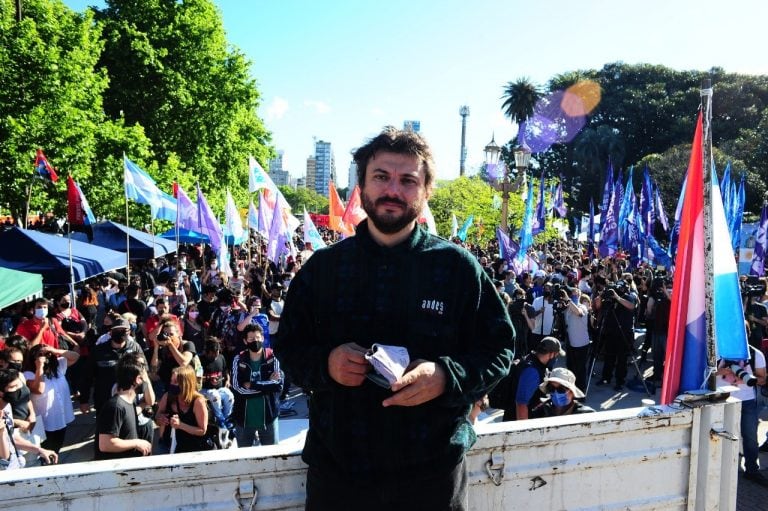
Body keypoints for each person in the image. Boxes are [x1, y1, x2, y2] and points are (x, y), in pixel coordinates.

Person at [276, 127, 514, 510]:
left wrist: (444, 377)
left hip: (432, 478)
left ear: (426, 191)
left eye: (408, 181)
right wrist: (327, 364)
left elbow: (500, 349)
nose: (393, 190)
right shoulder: (323, 269)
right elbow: (287, 346)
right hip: (339, 476)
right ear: (362, 186)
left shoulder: (458, 269)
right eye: (381, 177)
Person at [716, 345, 767, 486]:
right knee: (721, 436)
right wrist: (722, 371)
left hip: (747, 401)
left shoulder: (755, 354)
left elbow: (763, 379)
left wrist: (747, 379)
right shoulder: (718, 352)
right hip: (721, 399)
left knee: (750, 436)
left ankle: (751, 470)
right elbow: (705, 374)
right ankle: (720, 469)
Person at [94, 354, 153, 460]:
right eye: (144, 377)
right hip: (115, 473)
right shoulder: (116, 406)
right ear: (138, 379)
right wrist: (136, 443)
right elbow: (106, 444)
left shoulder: (129, 403)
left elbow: (151, 401)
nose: (146, 381)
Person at [23, 344, 80, 453]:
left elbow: (75, 356)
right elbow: (39, 390)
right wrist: (39, 367)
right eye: (40, 354)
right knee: (45, 450)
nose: (45, 357)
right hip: (44, 422)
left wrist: (54, 350)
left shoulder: (58, 367)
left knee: (56, 448)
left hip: (60, 418)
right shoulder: (28, 374)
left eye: (47, 354)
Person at [231, 325, 282, 446]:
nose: (255, 341)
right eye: (251, 339)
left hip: (268, 418)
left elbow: (278, 385)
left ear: (263, 338)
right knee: (244, 458)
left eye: (258, 338)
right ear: (245, 341)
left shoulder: (273, 357)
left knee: (272, 457)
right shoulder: (238, 360)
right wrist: (266, 387)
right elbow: (237, 389)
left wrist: (253, 384)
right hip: (244, 420)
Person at [0, 369, 58, 470]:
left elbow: (10, 438)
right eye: (13, 387)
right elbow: (4, 457)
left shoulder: (6, 407)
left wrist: (39, 450)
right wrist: (1, 432)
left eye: (20, 385)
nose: (20, 390)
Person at [501, 337, 564, 421]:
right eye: (557, 355)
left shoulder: (534, 362)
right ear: (551, 354)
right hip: (517, 421)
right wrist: (525, 430)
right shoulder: (532, 372)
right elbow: (521, 404)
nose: (556, 358)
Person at [156, 365, 208, 454]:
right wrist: (160, 419)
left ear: (186, 384)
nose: (172, 384)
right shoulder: (168, 396)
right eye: (171, 381)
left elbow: (202, 430)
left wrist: (180, 425)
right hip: (168, 445)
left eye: (176, 382)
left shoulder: (198, 401)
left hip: (193, 449)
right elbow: (157, 417)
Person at [199, 338, 234, 428]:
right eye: (213, 352)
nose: (216, 354)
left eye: (217, 352)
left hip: (219, 388)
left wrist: (227, 380)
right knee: (215, 396)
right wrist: (209, 378)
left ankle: (227, 418)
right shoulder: (200, 360)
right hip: (204, 390)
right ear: (208, 352)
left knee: (229, 395)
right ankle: (220, 419)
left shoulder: (221, 358)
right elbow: (196, 378)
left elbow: (226, 371)